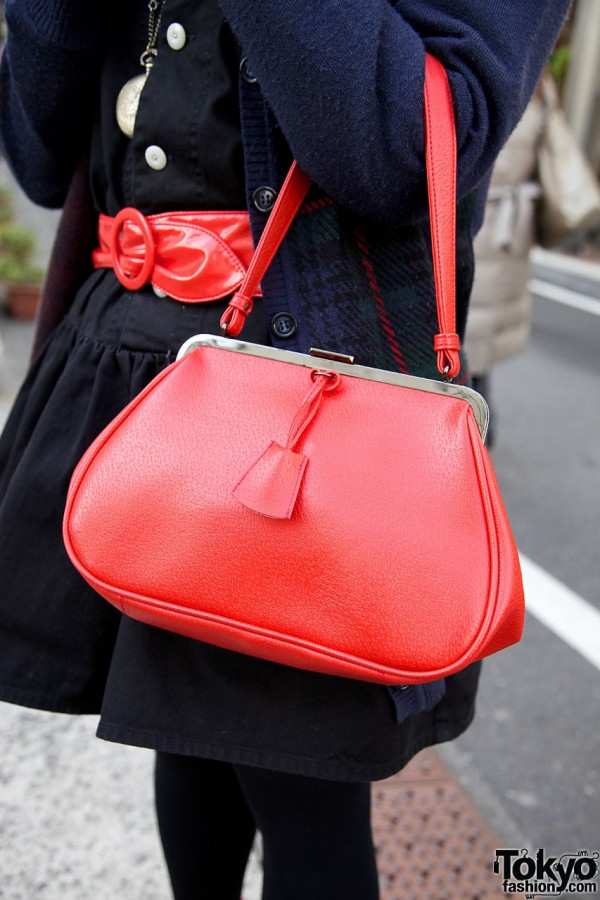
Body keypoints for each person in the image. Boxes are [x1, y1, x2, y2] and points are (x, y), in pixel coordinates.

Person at [0, 2, 569, 898]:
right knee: (186, 742)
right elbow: (39, 158)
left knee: (305, 795)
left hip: (312, 418)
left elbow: (395, 153)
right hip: (129, 375)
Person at [464, 93, 545, 446]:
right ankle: (480, 414)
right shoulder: (541, 92)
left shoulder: (486, 79)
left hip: (483, 219)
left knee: (471, 326)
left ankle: (473, 424)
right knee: (483, 329)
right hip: (512, 230)